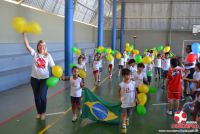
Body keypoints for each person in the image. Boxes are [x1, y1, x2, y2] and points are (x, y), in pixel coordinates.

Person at [22, 33, 55, 120]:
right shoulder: (35, 54)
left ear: (45, 47)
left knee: (43, 96)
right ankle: (39, 112)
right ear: (38, 47)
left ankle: (43, 112)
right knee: (36, 96)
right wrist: (24, 35)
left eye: (43, 46)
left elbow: (53, 67)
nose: (42, 47)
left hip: (44, 79)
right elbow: (27, 46)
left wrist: (59, 74)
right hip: (34, 79)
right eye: (40, 46)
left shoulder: (48, 55)